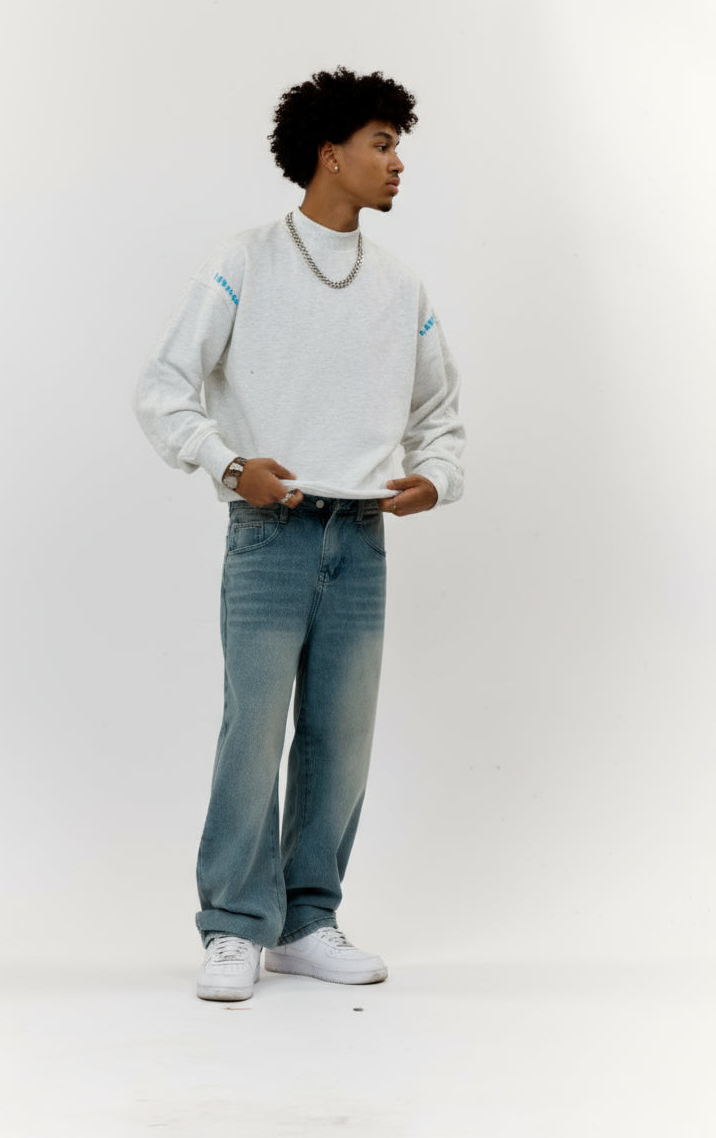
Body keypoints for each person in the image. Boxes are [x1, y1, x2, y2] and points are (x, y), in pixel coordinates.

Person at [135, 66, 465, 1002]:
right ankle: (235, 923)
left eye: (398, 145)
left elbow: (441, 410)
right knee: (254, 732)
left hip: (360, 538)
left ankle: (308, 921)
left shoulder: (400, 286)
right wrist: (228, 464)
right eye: (382, 144)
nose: (397, 162)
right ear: (330, 153)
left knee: (340, 739)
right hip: (270, 532)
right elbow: (164, 387)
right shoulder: (246, 261)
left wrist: (436, 477)